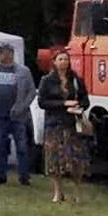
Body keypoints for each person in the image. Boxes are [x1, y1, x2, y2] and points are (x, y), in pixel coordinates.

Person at [36, 51, 89, 203]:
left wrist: (78, 106)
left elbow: (85, 100)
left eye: (66, 59)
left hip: (72, 124)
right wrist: (63, 104)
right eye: (60, 59)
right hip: (54, 124)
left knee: (75, 159)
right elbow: (42, 102)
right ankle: (58, 192)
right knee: (54, 159)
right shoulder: (47, 80)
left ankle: (77, 192)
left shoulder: (76, 80)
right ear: (54, 62)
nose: (64, 62)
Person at [0, 43, 36, 186]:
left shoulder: (23, 71)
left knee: (21, 147)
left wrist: (21, 107)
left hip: (17, 116)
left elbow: (31, 92)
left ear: (10, 54)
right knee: (0, 145)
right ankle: (0, 175)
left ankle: (24, 176)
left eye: (2, 52)